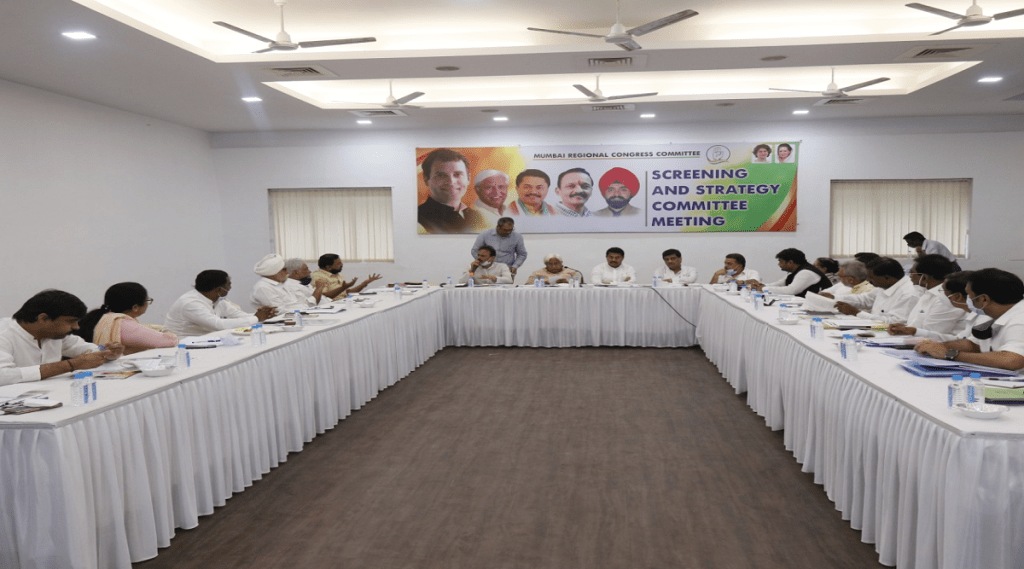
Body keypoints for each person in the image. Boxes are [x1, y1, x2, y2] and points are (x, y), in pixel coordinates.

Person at [0, 290, 123, 386]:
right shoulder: (4, 334)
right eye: (71, 321)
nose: (76, 327)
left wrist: (108, 352)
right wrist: (69, 365)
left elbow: (86, 349)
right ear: (43, 318)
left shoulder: (55, 334)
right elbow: (3, 376)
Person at [914, 268, 1024, 371]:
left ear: (983, 299)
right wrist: (937, 347)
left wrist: (951, 354)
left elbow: (1012, 360)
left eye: (969, 296)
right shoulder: (999, 315)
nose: (967, 300)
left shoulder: (1019, 319)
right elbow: (974, 345)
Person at [163, 270, 276, 337]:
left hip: (206, 340)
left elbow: (239, 315)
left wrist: (264, 315)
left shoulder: (218, 300)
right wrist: (256, 318)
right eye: (229, 284)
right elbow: (218, 325)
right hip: (184, 344)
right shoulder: (190, 303)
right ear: (219, 289)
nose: (230, 287)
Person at [76, 282, 177, 355]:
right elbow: (169, 341)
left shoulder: (101, 317)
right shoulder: (123, 324)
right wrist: (168, 332)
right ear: (135, 307)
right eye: (147, 300)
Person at [885, 255, 964, 337]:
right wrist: (904, 328)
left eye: (912, 272)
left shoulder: (945, 298)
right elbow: (918, 326)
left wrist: (908, 330)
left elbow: (931, 333)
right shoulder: (927, 293)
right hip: (917, 339)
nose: (910, 276)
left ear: (924, 278)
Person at [889, 270, 977, 341]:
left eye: (942, 291)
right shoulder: (973, 314)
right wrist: (914, 331)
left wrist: (947, 351)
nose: (940, 294)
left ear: (957, 296)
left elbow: (971, 346)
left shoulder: (980, 317)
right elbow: (959, 340)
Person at [830, 257, 922, 323]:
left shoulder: (908, 293)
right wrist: (833, 297)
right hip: (876, 329)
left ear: (887, 278)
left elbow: (895, 322)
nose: (868, 281)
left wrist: (857, 313)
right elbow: (864, 299)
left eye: (871, 278)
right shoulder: (885, 285)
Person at [417, 148, 487, 233]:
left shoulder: (479, 218)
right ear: (426, 180)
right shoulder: (417, 219)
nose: (451, 182)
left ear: (468, 178)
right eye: (441, 175)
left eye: (457, 174)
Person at [747, 248, 832, 297]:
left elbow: (791, 290)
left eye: (780, 261)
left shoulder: (806, 272)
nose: (778, 264)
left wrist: (763, 288)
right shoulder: (796, 271)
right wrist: (761, 285)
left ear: (790, 262)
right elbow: (780, 283)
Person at [310, 253, 383, 301]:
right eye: (338, 263)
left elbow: (347, 293)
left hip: (344, 302)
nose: (342, 265)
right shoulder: (318, 276)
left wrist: (364, 283)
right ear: (328, 267)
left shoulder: (336, 274)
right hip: (331, 306)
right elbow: (324, 297)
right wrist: (343, 287)